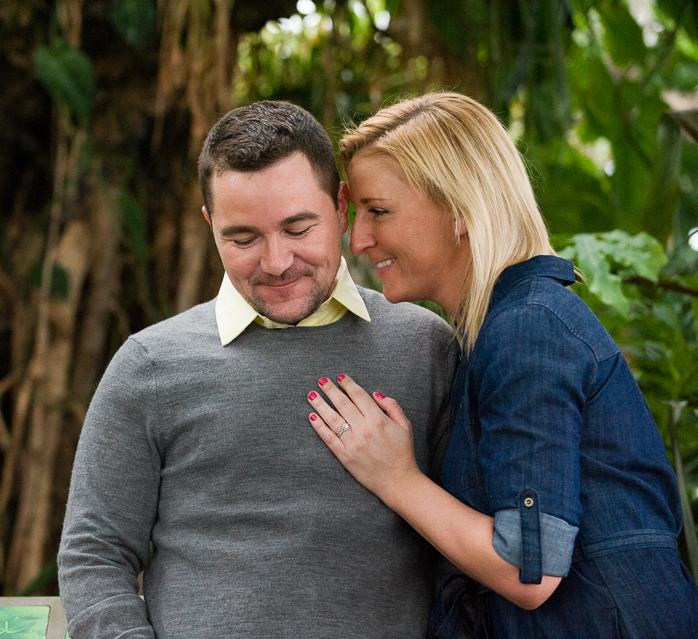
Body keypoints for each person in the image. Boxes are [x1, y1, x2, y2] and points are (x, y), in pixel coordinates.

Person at [57, 100, 459, 638]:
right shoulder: (149, 367)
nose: (275, 262)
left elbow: (469, 561)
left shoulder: (425, 349)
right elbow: (94, 554)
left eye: (298, 229)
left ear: (341, 207)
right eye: (243, 238)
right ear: (210, 224)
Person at [306, 92, 698, 638]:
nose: (359, 239)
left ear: (460, 210)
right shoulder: (502, 327)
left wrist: (395, 477)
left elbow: (528, 568)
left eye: (379, 211)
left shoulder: (527, 328)